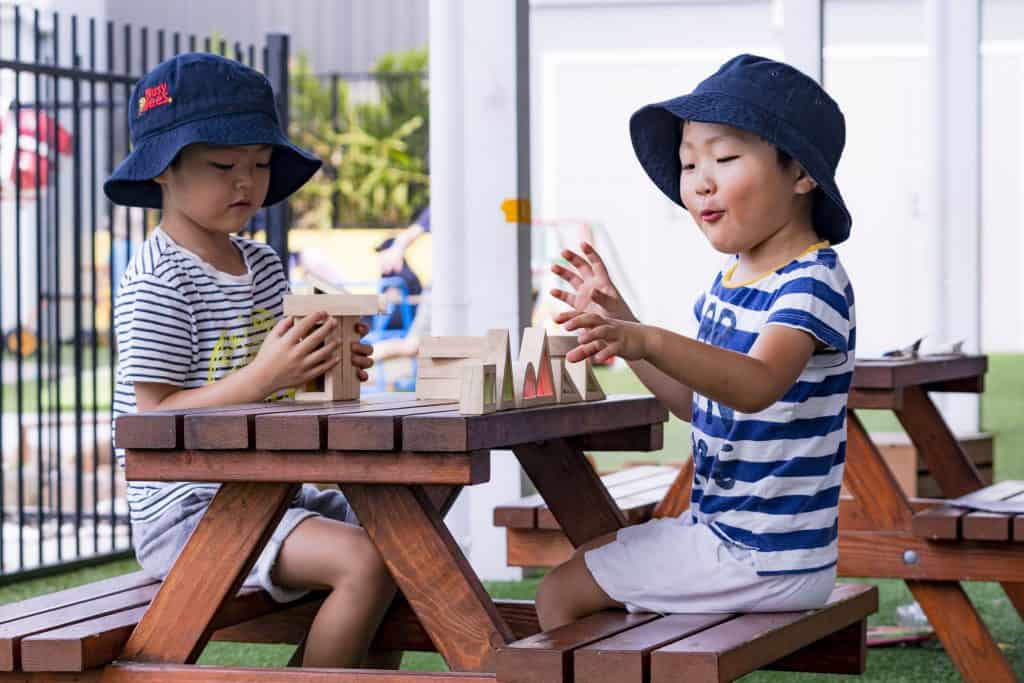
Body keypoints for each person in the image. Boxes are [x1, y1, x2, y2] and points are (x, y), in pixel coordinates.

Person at [540, 54, 856, 630]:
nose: (701, 182)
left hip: (763, 554)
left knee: (560, 595)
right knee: (588, 562)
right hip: (736, 541)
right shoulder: (732, 280)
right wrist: (626, 328)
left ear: (801, 173)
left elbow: (755, 385)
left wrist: (649, 339)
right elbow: (701, 404)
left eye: (726, 157)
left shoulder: (811, 282)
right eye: (689, 165)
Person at [105, 53, 396, 669]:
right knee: (366, 560)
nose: (247, 182)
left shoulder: (262, 266)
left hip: (272, 494)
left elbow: (276, 392)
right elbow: (152, 417)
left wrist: (321, 367)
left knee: (409, 540)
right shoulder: (159, 281)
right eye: (222, 166)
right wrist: (267, 373)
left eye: (260, 165)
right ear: (163, 172)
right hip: (190, 513)